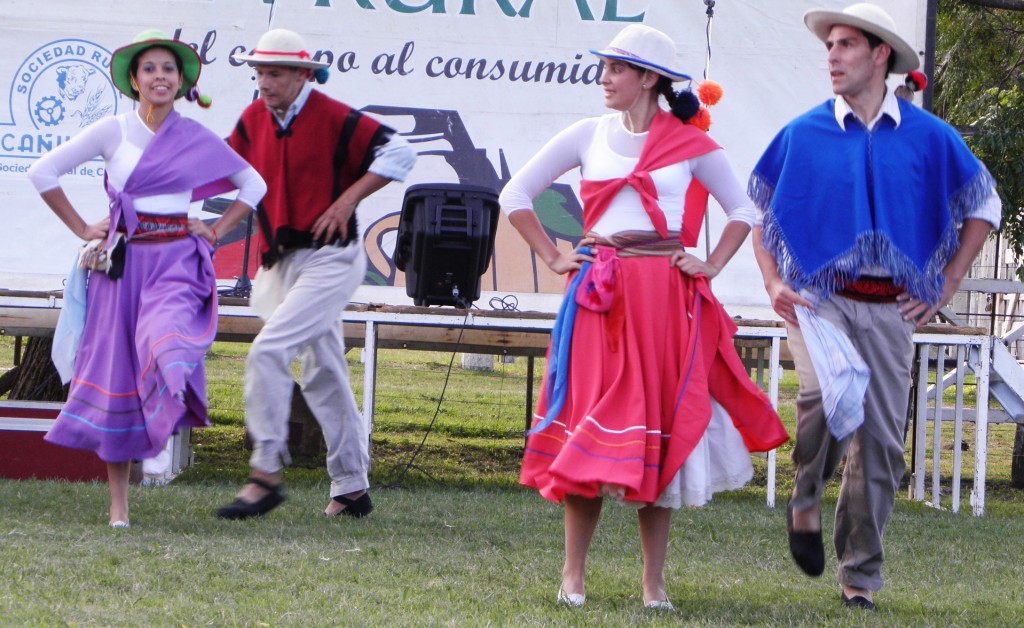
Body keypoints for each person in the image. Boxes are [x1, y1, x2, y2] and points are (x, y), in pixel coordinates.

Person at [502, 23, 789, 610]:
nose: (605, 77)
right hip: (596, 296)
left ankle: (653, 583)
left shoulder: (690, 145)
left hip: (663, 297)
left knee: (656, 428)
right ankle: (572, 575)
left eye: (617, 68)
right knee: (589, 421)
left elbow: (744, 210)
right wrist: (556, 255)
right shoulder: (589, 134)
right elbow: (515, 195)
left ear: (650, 79)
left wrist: (708, 264)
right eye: (604, 67)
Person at [748, 3, 1001, 612]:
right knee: (830, 394)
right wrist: (772, 281)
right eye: (828, 46)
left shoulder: (928, 136)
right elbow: (762, 216)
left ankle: (859, 575)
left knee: (882, 444)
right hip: (820, 300)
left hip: (892, 307)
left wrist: (948, 277)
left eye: (845, 45)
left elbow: (983, 205)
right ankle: (805, 494)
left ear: (880, 54)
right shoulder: (805, 132)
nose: (831, 56)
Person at [27, 29, 267, 528]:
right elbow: (43, 172)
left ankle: (159, 434)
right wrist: (81, 227)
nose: (160, 76)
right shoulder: (111, 131)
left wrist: (217, 229)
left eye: (169, 69)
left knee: (169, 343)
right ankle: (119, 505)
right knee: (116, 375)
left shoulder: (195, 137)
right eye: (150, 69)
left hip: (177, 262)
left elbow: (254, 184)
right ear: (134, 81)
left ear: (181, 83)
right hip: (122, 266)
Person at [215, 29, 415, 520]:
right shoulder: (253, 119)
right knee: (325, 371)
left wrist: (348, 198)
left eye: (275, 72)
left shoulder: (333, 116)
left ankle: (264, 474)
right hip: (285, 262)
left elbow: (400, 153)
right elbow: (226, 169)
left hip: (332, 256)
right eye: (259, 71)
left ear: (304, 74)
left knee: (269, 351)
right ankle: (352, 489)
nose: (264, 80)